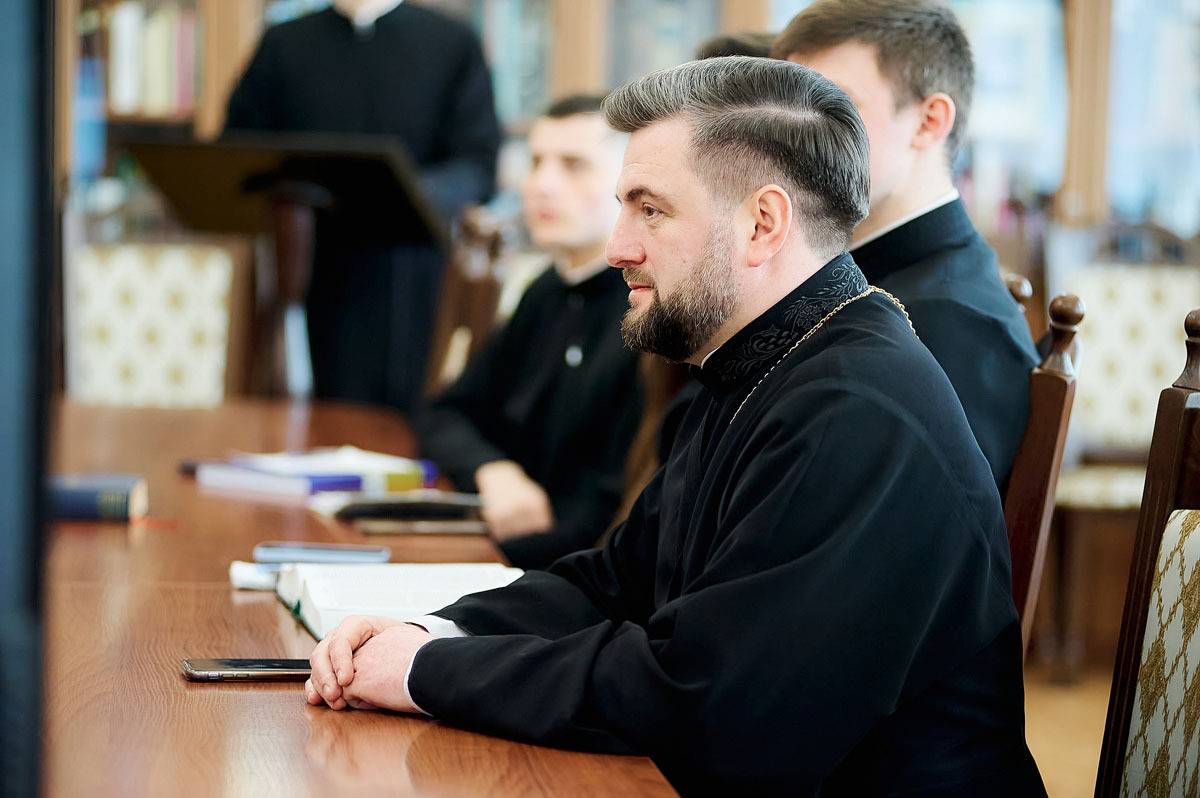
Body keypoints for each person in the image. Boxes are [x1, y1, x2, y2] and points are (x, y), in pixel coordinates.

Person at [304, 58, 1045, 796]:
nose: (617, 248)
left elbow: (710, 705)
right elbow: (617, 581)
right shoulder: (755, 362)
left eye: (650, 210)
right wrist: (432, 631)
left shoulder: (857, 412)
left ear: (762, 224)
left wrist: (426, 673)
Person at [773, 0, 1039, 488]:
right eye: (788, 109)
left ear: (928, 121)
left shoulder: (953, 323)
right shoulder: (847, 282)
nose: (792, 140)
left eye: (833, 106)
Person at [225, 0, 502, 412]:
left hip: (414, 272)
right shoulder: (284, 44)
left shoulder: (452, 42)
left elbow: (477, 163)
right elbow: (239, 151)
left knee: (407, 417)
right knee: (303, 415)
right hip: (305, 272)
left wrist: (412, 190)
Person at [415, 95, 641, 570]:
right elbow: (445, 413)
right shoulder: (547, 290)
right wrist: (493, 470)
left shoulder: (646, 312)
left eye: (574, 165)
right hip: (501, 549)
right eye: (536, 162)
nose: (542, 185)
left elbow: (611, 513)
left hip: (573, 573)